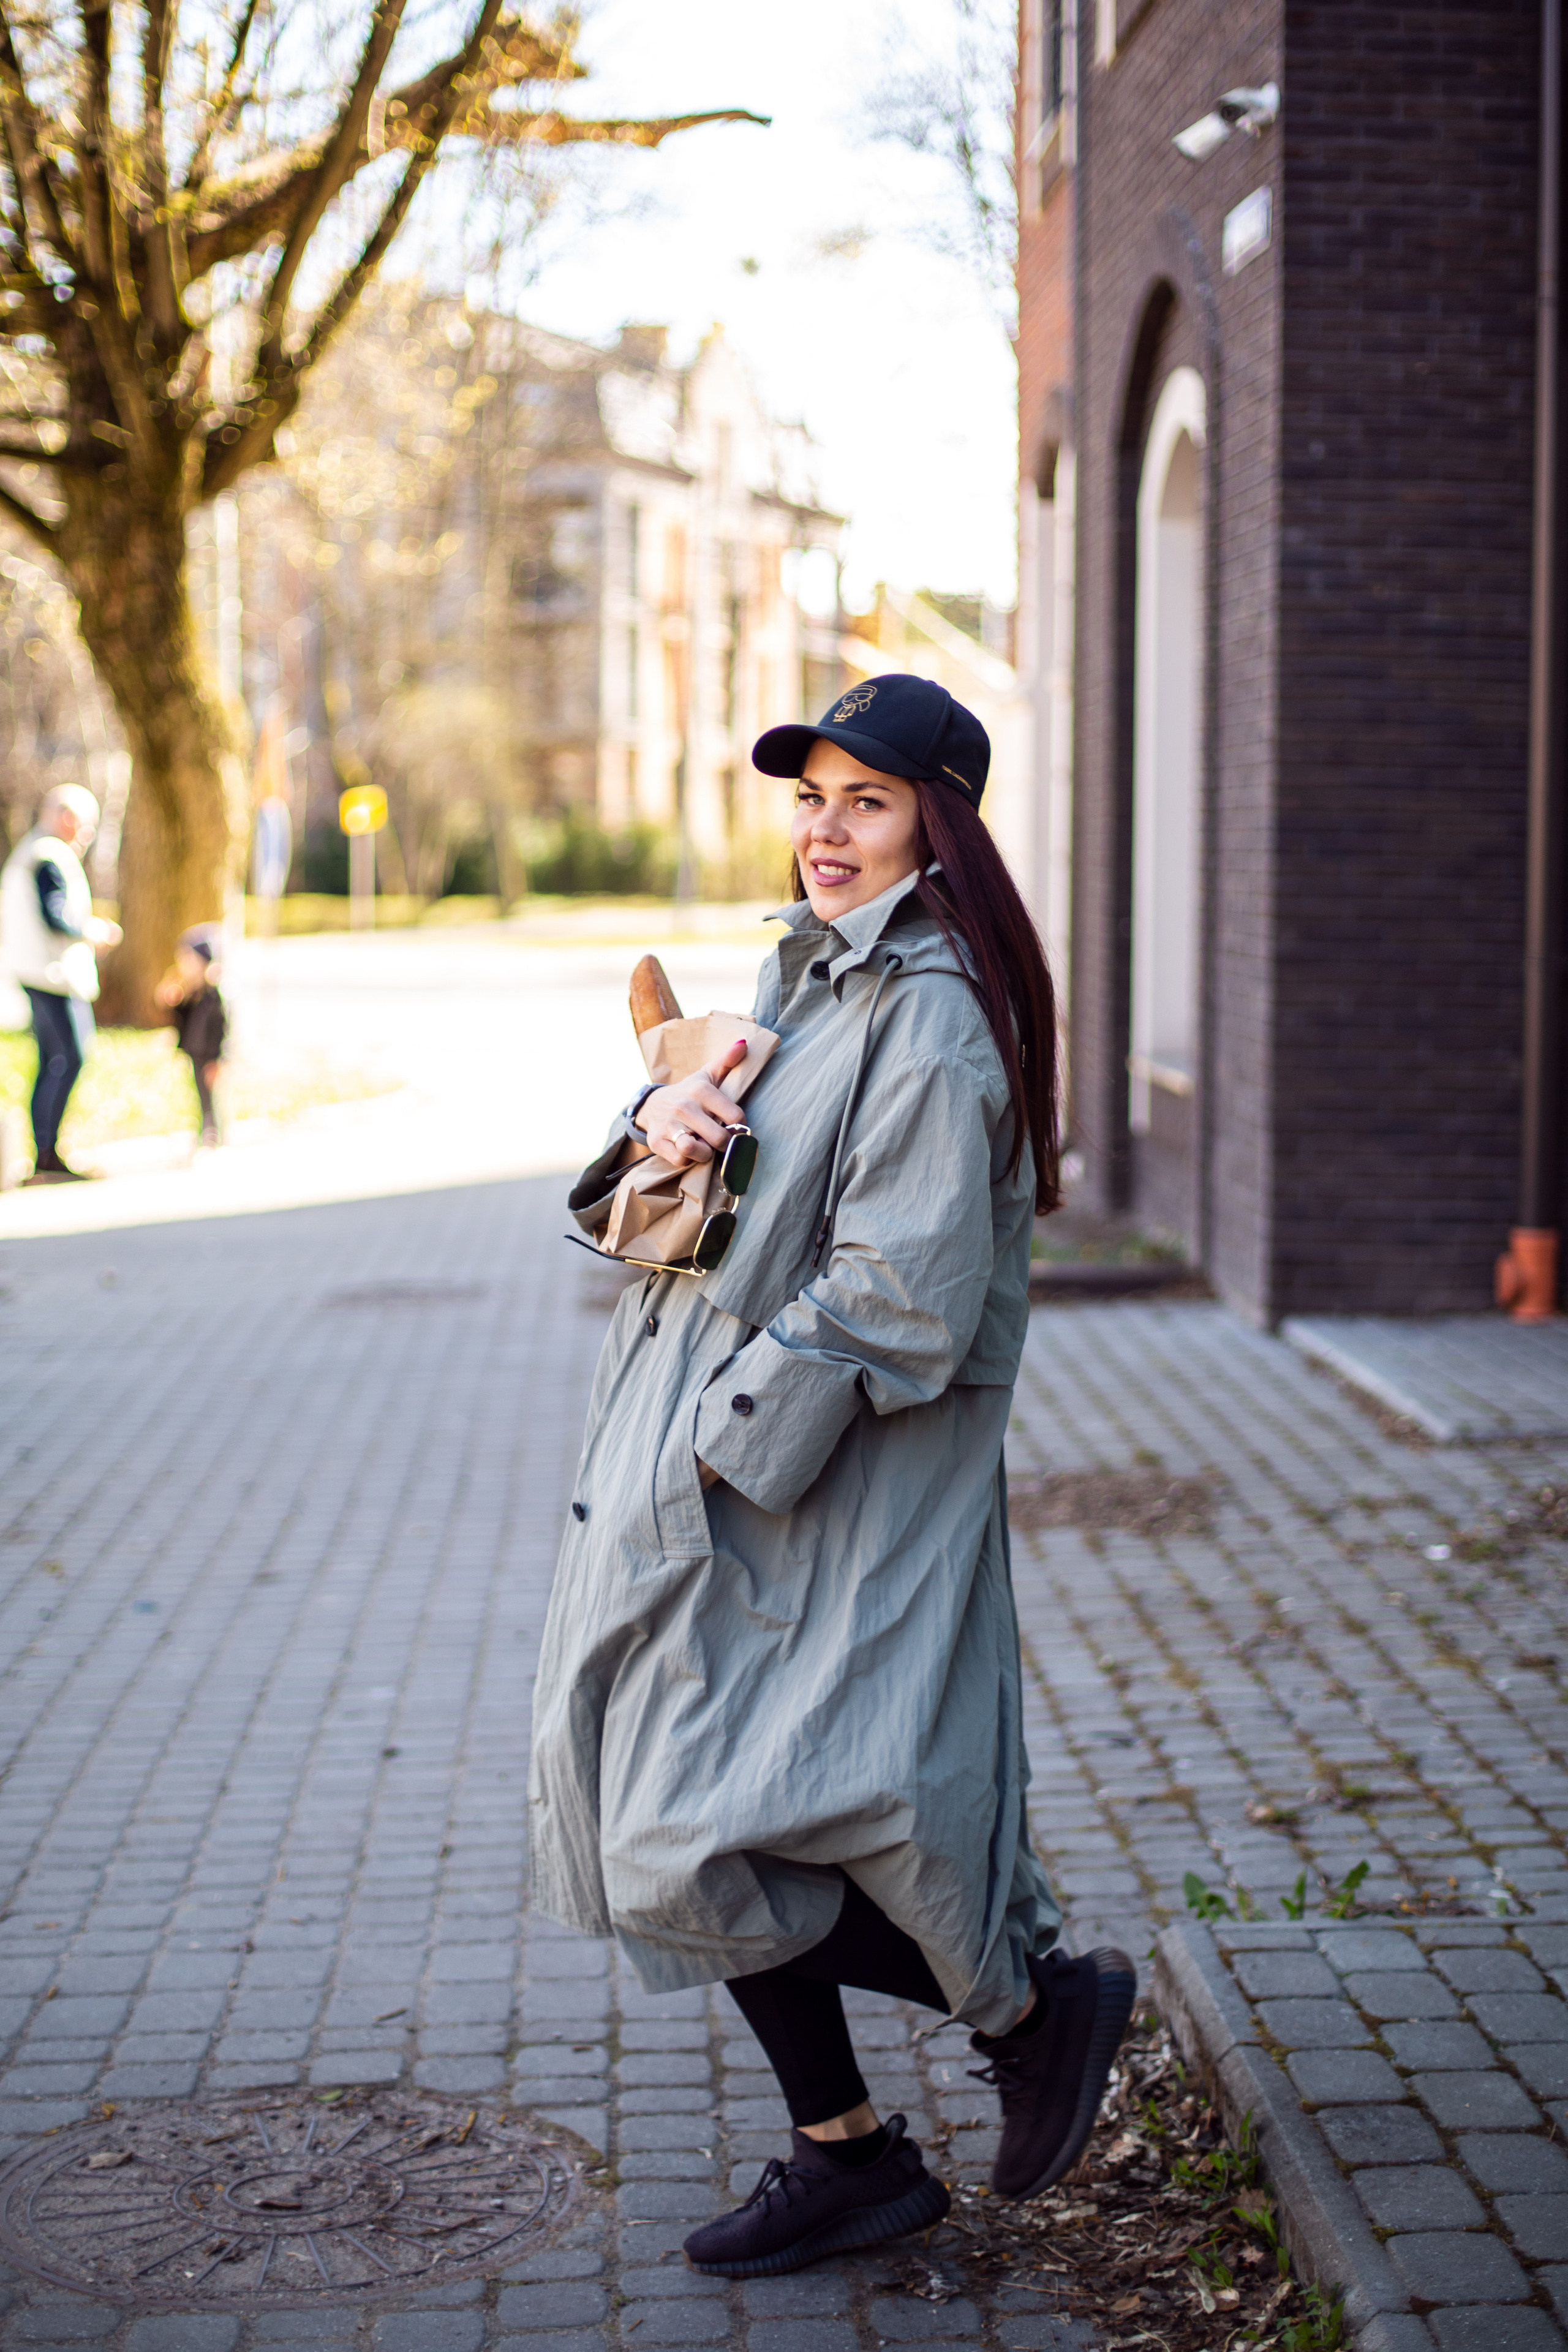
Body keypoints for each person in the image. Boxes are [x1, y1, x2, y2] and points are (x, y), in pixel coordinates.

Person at [530, 674, 1135, 2279]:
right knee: (701, 1818)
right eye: (812, 797)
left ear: (942, 825)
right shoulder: (807, 976)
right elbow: (720, 1212)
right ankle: (849, 2153)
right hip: (741, 1483)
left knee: (685, 1831)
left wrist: (711, 1452)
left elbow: (896, 1297)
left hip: (813, 1496)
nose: (826, 829)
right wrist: (661, 1118)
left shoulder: (929, 1020)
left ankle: (1032, 2010)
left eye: (867, 800)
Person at [0, 784, 121, 1185]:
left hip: (37, 971)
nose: (88, 835)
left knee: (53, 1058)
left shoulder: (31, 852)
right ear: (67, 817)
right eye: (86, 825)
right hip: (51, 974)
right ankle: (47, 1153)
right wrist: (91, 931)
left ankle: (45, 1152)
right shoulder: (48, 856)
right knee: (70, 1055)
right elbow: (56, 916)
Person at [156, 932, 227, 1148]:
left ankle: (213, 1134)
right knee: (199, 1094)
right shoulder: (190, 990)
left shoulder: (215, 993)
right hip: (194, 1050)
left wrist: (220, 1059)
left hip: (210, 1053)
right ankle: (205, 1131)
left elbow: (223, 1027)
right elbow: (176, 1015)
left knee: (211, 1096)